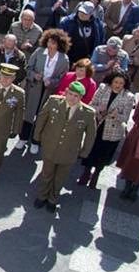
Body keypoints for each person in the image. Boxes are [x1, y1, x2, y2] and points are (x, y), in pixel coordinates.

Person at [32, 84, 97, 213]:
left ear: (81, 97)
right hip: (50, 146)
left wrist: (84, 152)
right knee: (46, 174)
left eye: (76, 96)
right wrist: (37, 136)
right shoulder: (53, 101)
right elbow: (42, 119)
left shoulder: (88, 113)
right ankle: (42, 196)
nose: (72, 98)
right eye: (70, 94)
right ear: (66, 92)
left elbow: (91, 135)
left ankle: (53, 199)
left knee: (60, 178)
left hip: (69, 152)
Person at [78, 72, 136, 189]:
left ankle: (96, 174)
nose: (118, 85)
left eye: (121, 83)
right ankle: (86, 172)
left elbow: (125, 117)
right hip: (98, 125)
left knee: (104, 155)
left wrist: (117, 115)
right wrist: (99, 109)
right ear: (111, 81)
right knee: (91, 150)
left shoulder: (129, 97)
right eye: (116, 82)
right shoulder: (103, 88)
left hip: (113, 131)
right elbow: (91, 105)